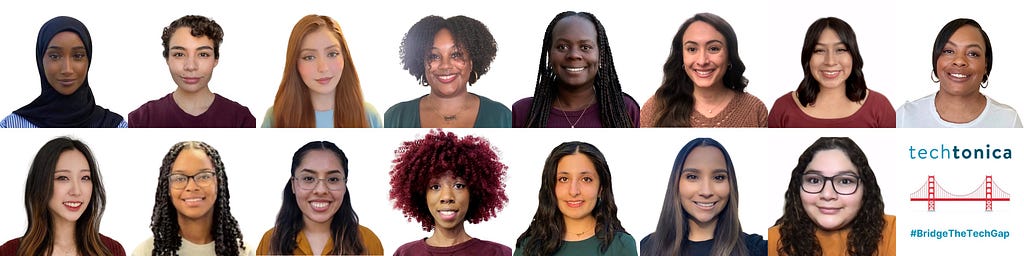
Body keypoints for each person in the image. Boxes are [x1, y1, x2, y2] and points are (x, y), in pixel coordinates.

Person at [389, 130, 512, 255]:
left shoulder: (499, 253)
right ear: (422, 195)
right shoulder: (405, 253)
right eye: (435, 187)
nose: (447, 197)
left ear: (473, 193)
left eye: (458, 185)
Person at [769, 137, 895, 256]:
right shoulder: (772, 241)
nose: (827, 195)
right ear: (798, 187)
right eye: (814, 180)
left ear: (866, 189)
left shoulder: (895, 232)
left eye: (845, 181)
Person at [639, 138, 766, 256]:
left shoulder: (757, 249)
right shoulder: (647, 248)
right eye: (692, 177)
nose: (706, 191)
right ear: (676, 183)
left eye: (718, 177)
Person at [0, 137, 125, 256]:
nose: (76, 191)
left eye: (85, 178)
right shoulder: (9, 252)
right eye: (63, 178)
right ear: (40, 183)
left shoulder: (112, 251)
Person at [512, 11, 640, 128]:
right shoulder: (521, 112)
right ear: (549, 54)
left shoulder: (625, 109)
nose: (573, 55)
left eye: (585, 47)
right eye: (562, 47)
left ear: (601, 55)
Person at [639, 13, 767, 127]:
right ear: (682, 56)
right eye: (692, 49)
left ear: (730, 56)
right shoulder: (654, 109)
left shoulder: (755, 109)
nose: (702, 61)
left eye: (714, 49)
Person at [128, 15, 257, 128]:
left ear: (216, 59)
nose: (190, 66)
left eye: (203, 54)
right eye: (179, 54)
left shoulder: (241, 120)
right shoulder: (140, 120)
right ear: (167, 58)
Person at [257, 141, 383, 255]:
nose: (321, 190)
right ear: (293, 185)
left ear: (344, 185)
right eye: (308, 179)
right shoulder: (270, 242)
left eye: (333, 179)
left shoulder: (368, 242)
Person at [767, 17, 896, 128]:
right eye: (819, 50)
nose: (830, 61)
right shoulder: (783, 108)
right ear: (808, 57)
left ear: (853, 55)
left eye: (840, 50)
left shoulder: (880, 107)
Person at [385, 15, 511, 128]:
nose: (445, 66)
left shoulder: (502, 117)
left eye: (456, 54)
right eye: (434, 56)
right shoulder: (395, 118)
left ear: (472, 62)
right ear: (421, 63)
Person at [0, 16, 126, 128]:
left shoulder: (114, 125)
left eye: (78, 56)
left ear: (89, 59)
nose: (67, 69)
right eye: (54, 56)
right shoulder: (11, 126)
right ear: (40, 60)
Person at [515, 141, 637, 256]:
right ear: (550, 187)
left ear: (601, 188)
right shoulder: (528, 246)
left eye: (586, 179)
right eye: (563, 179)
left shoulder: (622, 245)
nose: (573, 191)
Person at [896, 18, 1021, 127]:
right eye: (949, 51)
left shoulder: (1008, 121)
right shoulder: (905, 117)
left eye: (973, 53)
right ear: (936, 59)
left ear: (985, 65)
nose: (960, 61)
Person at [133, 141, 251, 256]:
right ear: (167, 188)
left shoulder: (243, 252)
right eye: (179, 178)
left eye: (204, 176)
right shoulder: (146, 252)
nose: (192, 187)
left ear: (219, 183)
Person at [263, 14, 381, 128]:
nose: (323, 68)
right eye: (309, 57)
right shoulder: (275, 117)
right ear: (295, 63)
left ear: (344, 57)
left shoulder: (369, 116)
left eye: (332, 54)